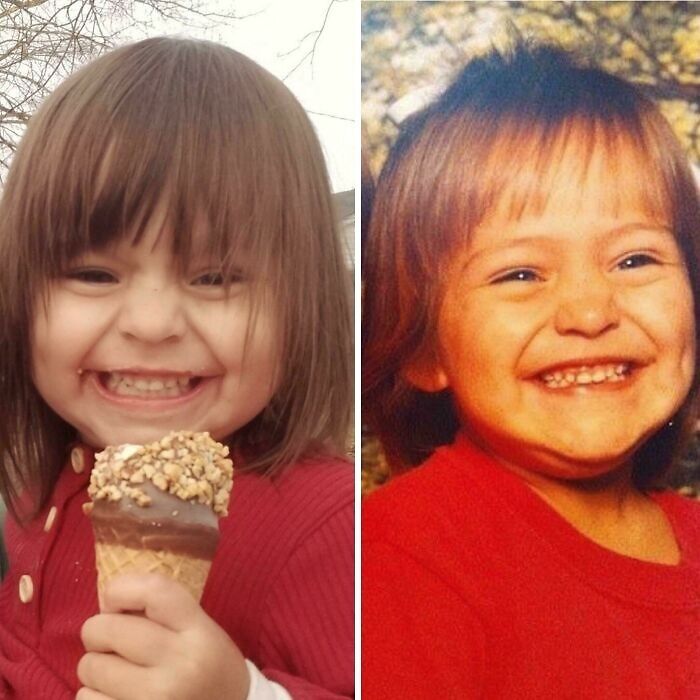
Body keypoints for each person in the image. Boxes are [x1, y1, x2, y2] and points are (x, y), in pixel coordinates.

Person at [0, 37, 354, 700]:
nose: (152, 323)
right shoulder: (51, 468)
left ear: (302, 301)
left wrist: (241, 694)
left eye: (214, 276)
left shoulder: (328, 524)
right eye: (93, 273)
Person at [362, 41, 700, 698]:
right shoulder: (402, 562)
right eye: (520, 273)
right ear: (424, 350)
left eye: (635, 260)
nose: (589, 310)